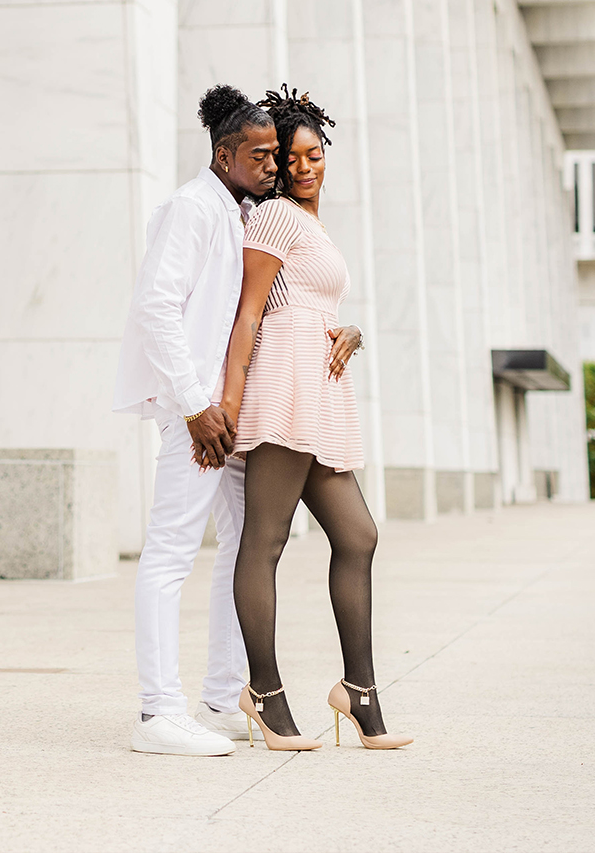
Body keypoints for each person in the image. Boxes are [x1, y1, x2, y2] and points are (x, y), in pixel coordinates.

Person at [220, 86, 412, 752]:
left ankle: (358, 693)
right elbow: (250, 312)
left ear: (326, 153)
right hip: (282, 385)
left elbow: (312, 299)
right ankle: (265, 695)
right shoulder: (274, 217)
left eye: (312, 155)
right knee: (264, 543)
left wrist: (351, 329)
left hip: (319, 389)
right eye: (290, 158)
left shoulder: (313, 226)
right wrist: (229, 403)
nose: (302, 167)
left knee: (357, 536)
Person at [115, 86, 279, 757]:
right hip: (197, 416)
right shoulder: (191, 207)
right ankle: (158, 714)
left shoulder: (238, 212)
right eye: (259, 155)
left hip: (227, 412)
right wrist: (194, 407)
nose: (272, 166)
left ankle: (218, 698)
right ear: (224, 152)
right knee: (171, 554)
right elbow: (156, 308)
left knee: (244, 551)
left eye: (276, 155)